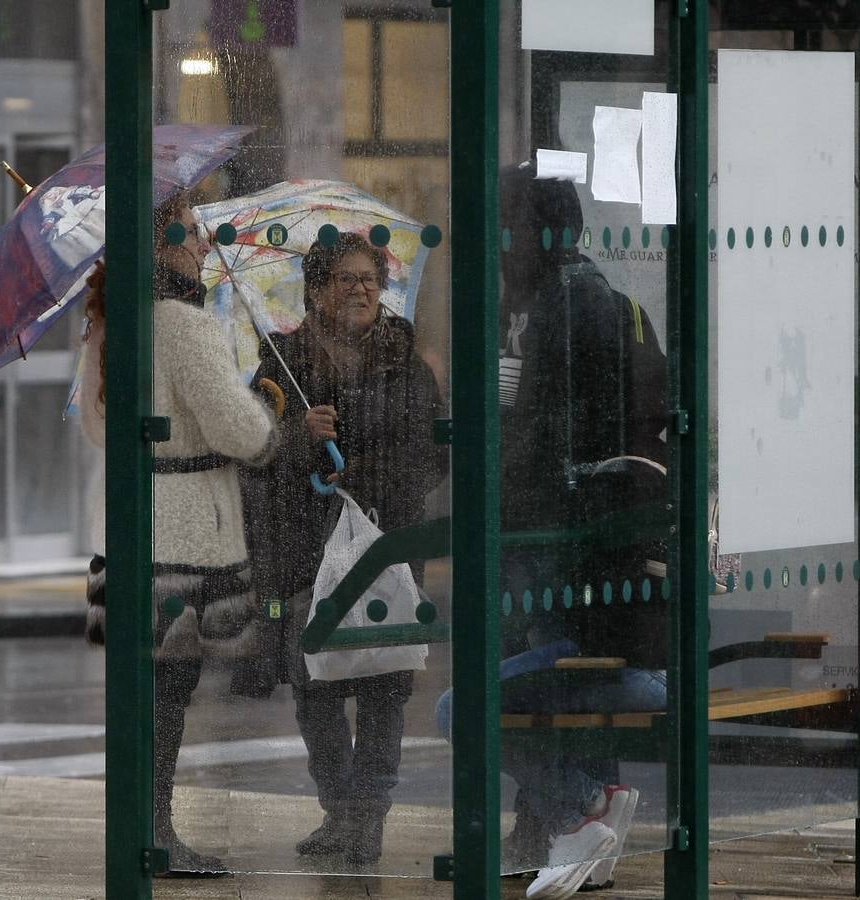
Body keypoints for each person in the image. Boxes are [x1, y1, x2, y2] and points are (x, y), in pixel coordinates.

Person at [434, 164, 670, 900]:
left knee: (500, 693)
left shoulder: (566, 308)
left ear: (536, 232)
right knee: (565, 680)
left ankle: (575, 812)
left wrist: (490, 442)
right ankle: (579, 829)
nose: (497, 246)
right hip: (583, 539)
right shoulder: (578, 297)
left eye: (505, 228)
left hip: (549, 534)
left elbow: (548, 433)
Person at [78, 194, 277, 876]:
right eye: (189, 233)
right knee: (170, 695)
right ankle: (156, 832)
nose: (201, 245)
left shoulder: (106, 324)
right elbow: (240, 431)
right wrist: (269, 416)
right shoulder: (184, 326)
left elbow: (98, 427)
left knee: (143, 694)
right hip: (188, 542)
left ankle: (142, 825)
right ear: (158, 241)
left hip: (131, 529)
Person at [242, 232, 448, 866]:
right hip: (305, 542)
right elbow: (254, 452)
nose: (360, 290)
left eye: (369, 279)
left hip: (385, 540)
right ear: (316, 290)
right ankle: (338, 808)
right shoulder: (281, 361)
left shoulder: (405, 361)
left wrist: (356, 468)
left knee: (385, 682)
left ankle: (370, 815)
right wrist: (299, 437)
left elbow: (432, 455)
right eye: (345, 280)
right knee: (316, 683)